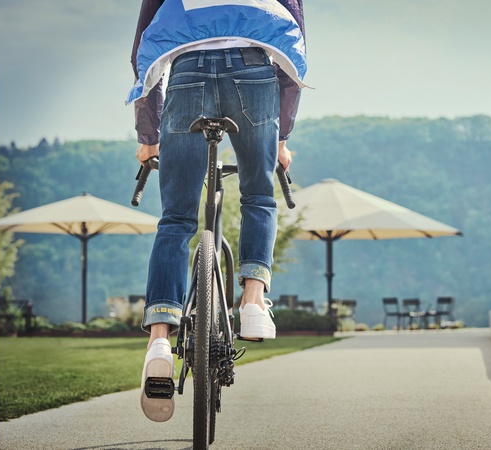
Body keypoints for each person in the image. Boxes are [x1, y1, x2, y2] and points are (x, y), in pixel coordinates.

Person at [127, 0, 307, 422]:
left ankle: (158, 339)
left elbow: (143, 44)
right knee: (259, 196)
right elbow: (295, 42)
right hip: (254, 67)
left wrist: (148, 134)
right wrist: (282, 137)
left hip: (187, 68)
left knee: (176, 219)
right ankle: (253, 300)